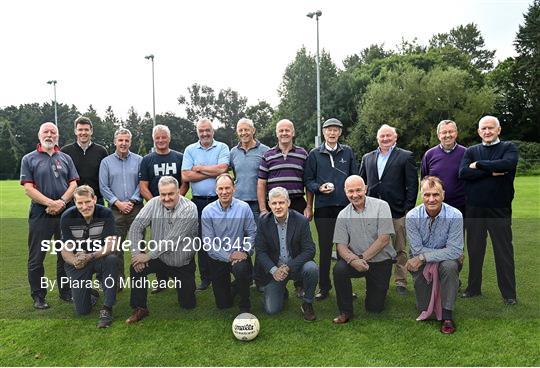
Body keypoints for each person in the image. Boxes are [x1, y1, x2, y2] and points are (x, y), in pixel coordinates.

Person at [459, 116, 519, 305]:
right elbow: (463, 173)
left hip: (499, 208)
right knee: (475, 251)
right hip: (475, 209)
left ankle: (509, 294)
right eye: (483, 128)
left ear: (498, 129)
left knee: (503, 252)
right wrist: (491, 172)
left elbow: (507, 164)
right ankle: (473, 289)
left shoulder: (508, 148)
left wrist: (478, 165)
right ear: (479, 131)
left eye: (491, 128)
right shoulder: (471, 150)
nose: (487, 132)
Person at [20, 122, 79, 309]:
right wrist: (50, 203)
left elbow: (73, 185)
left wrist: (61, 202)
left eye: (53, 132)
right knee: (37, 256)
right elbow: (28, 189)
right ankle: (38, 296)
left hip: (65, 211)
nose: (49, 135)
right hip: (41, 212)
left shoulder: (66, 158)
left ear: (57, 136)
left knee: (66, 254)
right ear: (39, 135)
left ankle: (65, 291)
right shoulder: (29, 159)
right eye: (46, 132)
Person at [126, 176, 198, 324]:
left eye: (170, 194)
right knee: (136, 268)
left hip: (181, 262)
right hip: (160, 258)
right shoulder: (153, 203)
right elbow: (135, 227)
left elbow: (173, 239)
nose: (166, 198)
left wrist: (148, 255)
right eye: (163, 194)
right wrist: (137, 254)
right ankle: (140, 308)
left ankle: (179, 285)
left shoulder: (189, 208)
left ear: (179, 192)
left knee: (188, 304)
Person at [359, 124, 418, 295]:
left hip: (397, 210)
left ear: (395, 137)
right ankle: (372, 278)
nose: (385, 139)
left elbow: (412, 185)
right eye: (382, 136)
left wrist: (408, 208)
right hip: (371, 212)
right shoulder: (367, 157)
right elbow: (361, 182)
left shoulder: (405, 156)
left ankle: (400, 281)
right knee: (372, 247)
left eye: (388, 136)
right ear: (377, 138)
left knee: (399, 248)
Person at [304, 118, 358, 301]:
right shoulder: (314, 154)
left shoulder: (348, 152)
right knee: (325, 248)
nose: (332, 133)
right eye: (329, 130)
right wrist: (319, 188)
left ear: (340, 133)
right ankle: (324, 287)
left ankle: (345, 286)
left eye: (336, 130)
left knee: (345, 248)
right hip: (324, 208)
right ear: (324, 132)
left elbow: (355, 177)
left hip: (345, 207)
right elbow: (308, 180)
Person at [331, 175, 396, 324]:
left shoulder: (382, 206)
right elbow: (340, 245)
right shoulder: (342, 215)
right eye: (350, 191)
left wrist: (362, 258)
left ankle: (375, 290)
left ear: (365, 189)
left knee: (374, 308)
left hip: (380, 261)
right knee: (339, 269)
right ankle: (345, 311)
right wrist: (353, 260)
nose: (355, 195)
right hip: (356, 261)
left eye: (358, 190)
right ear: (345, 192)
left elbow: (384, 238)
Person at [406, 176, 463, 334]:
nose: (431, 199)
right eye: (427, 194)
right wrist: (437, 253)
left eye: (436, 194)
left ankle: (447, 316)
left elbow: (455, 251)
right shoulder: (411, 217)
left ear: (443, 195)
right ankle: (451, 285)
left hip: (441, 261)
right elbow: (416, 249)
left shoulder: (455, 215)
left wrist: (424, 257)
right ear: (421, 195)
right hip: (422, 264)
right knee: (424, 308)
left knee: (450, 265)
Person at [255, 187, 319, 321]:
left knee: (311, 268)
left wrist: (288, 266)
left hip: (295, 267)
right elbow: (260, 251)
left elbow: (310, 249)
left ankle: (307, 303)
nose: (278, 207)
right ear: (269, 204)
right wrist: (274, 270)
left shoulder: (301, 220)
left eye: (281, 203)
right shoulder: (263, 222)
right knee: (272, 310)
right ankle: (281, 291)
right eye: (274, 203)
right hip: (275, 270)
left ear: (288, 203)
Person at [60, 185, 119, 328]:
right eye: (80, 203)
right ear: (75, 202)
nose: (84, 206)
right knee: (82, 311)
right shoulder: (67, 216)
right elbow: (65, 249)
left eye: (87, 202)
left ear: (94, 199)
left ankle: (107, 309)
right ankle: (90, 294)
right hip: (79, 260)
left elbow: (112, 245)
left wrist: (90, 256)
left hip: (98, 257)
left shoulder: (105, 213)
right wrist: (74, 260)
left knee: (112, 259)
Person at [182, 118, 230, 291]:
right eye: (201, 131)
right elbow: (186, 176)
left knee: (224, 238)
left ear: (213, 131)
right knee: (203, 241)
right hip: (199, 202)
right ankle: (205, 277)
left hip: (220, 201)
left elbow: (222, 170)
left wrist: (199, 168)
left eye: (207, 130)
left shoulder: (222, 147)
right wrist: (211, 171)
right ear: (197, 132)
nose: (204, 134)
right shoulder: (190, 149)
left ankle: (224, 273)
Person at [139, 124, 188, 293]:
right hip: (157, 209)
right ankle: (162, 280)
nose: (160, 140)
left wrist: (176, 201)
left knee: (179, 240)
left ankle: (181, 275)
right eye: (157, 137)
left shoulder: (179, 157)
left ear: (169, 138)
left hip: (178, 208)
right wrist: (157, 204)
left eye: (163, 137)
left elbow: (184, 183)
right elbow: (143, 186)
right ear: (154, 139)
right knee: (158, 241)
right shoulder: (147, 160)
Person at [201, 174, 257, 312]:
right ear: (216, 190)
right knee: (223, 304)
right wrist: (229, 256)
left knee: (241, 270)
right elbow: (208, 242)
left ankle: (245, 304)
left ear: (234, 189)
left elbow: (252, 233)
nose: (224, 192)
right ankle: (237, 284)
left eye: (227, 188)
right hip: (218, 257)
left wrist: (245, 252)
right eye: (221, 188)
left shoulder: (244, 208)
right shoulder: (208, 211)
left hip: (240, 256)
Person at [99, 128, 143, 283]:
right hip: (114, 210)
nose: (123, 143)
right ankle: (118, 281)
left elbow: (141, 184)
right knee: (115, 248)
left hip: (136, 208)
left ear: (130, 142)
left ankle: (139, 279)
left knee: (138, 245)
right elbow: (103, 186)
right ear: (115, 142)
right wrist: (118, 203)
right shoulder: (106, 162)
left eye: (126, 140)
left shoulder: (139, 160)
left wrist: (131, 201)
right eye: (120, 140)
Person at [257, 119, 310, 218]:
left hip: (297, 203)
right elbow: (261, 183)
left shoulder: (302, 154)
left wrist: (309, 206)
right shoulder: (267, 155)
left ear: (293, 133)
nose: (284, 133)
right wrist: (263, 209)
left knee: (298, 233)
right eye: (281, 131)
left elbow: (308, 182)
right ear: (277, 134)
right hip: (274, 204)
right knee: (274, 233)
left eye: (287, 130)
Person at [421, 120, 467, 215]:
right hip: (436, 205)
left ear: (456, 133)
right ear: (438, 135)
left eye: (451, 131)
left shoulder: (466, 153)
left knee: (458, 230)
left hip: (460, 205)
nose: (448, 135)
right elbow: (424, 180)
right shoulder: (429, 154)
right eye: (444, 132)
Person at [61, 116, 108, 205]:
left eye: (86, 130)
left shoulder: (101, 151)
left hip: (96, 201)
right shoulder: (65, 152)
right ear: (75, 131)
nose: (83, 133)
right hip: (73, 201)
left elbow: (105, 177)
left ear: (91, 131)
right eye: (80, 130)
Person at [229, 118, 269, 218]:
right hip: (237, 202)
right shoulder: (233, 152)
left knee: (255, 233)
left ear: (253, 130)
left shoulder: (265, 151)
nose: (243, 133)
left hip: (258, 203)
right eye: (240, 130)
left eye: (246, 129)